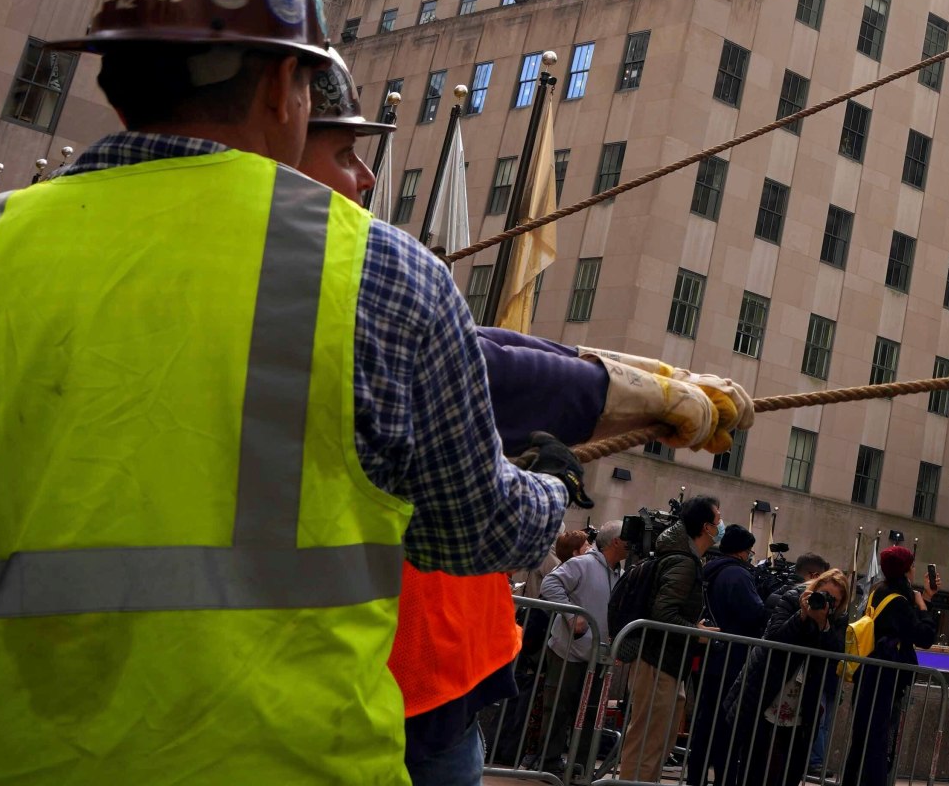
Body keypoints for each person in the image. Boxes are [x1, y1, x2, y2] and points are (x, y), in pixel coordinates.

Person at [0, 0, 584, 782]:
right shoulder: (374, 268)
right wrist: (551, 488)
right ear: (284, 88)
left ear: (115, 87)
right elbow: (471, 527)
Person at [295, 56, 747, 784]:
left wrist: (647, 381)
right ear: (272, 128)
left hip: (396, 674)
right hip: (388, 681)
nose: (369, 178)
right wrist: (558, 475)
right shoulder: (342, 272)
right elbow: (491, 399)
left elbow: (489, 353)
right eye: (344, 152)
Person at [618, 494, 724, 780]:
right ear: (705, 527)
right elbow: (662, 614)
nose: (721, 525)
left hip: (665, 660)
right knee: (647, 740)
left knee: (658, 740)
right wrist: (695, 631)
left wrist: (691, 625)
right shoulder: (684, 562)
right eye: (718, 520)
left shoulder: (684, 558)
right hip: (657, 659)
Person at [732, 563, 856, 786]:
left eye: (833, 601)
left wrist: (823, 624)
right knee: (757, 759)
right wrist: (801, 615)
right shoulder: (791, 599)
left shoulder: (837, 617)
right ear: (815, 587)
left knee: (791, 763)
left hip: (804, 697)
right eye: (824, 595)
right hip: (770, 688)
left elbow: (837, 652)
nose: (826, 602)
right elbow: (775, 638)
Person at [842, 544, 949, 785]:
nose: (914, 569)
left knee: (863, 738)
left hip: (868, 672)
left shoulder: (878, 591)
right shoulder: (899, 601)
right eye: (912, 565)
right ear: (906, 570)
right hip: (885, 679)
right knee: (879, 740)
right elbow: (923, 637)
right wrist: (924, 607)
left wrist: (926, 598)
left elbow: (905, 630)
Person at [535, 525, 633, 774]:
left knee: (591, 714)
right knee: (558, 709)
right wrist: (571, 614)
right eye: (627, 538)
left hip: (598, 656)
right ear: (615, 542)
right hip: (567, 652)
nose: (632, 543)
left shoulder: (618, 574)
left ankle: (579, 765)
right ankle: (549, 763)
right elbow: (550, 584)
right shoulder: (583, 564)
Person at [684, 522, 770, 785]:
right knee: (728, 727)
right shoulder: (738, 575)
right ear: (743, 552)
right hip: (730, 660)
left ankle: (695, 777)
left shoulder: (707, 569)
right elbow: (755, 614)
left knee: (704, 722)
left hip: (706, 656)